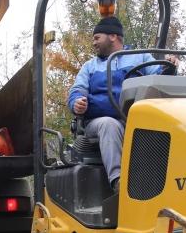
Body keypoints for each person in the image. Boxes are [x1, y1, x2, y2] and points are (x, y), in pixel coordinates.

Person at [67, 16, 178, 192]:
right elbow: (77, 90)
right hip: (99, 121)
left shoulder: (140, 57)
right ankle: (119, 182)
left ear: (112, 36)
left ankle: (166, 184)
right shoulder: (90, 66)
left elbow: (159, 76)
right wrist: (76, 102)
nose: (93, 43)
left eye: (97, 38)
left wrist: (169, 67)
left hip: (134, 119)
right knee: (109, 124)